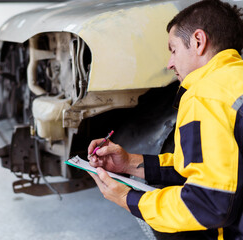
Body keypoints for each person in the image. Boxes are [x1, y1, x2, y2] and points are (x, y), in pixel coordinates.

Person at [87, 0, 243, 239]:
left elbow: (208, 206)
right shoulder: (233, 81)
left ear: (198, 42)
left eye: (173, 49)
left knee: (167, 225)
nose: (170, 63)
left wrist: (128, 198)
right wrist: (128, 163)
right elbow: (213, 166)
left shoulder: (204, 95)